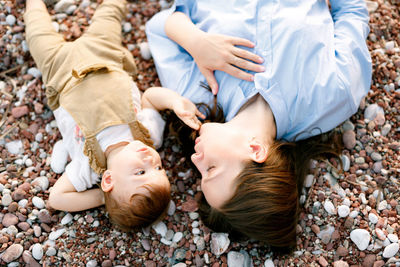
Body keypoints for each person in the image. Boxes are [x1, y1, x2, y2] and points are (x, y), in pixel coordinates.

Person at [146, 0, 372, 252]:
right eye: (210, 168)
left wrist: (195, 41)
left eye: (200, 174)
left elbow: (157, 27)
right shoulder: (334, 96)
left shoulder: (195, 99)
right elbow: (351, 11)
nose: (196, 160)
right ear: (256, 150)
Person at [24, 0, 204, 231]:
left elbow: (56, 199)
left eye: (141, 172)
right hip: (103, 54)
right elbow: (149, 98)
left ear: (109, 180)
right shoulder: (149, 136)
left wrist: (103, 198)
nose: (152, 161)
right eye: (160, 170)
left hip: (59, 70)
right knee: (110, 14)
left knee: (37, 32)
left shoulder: (88, 167)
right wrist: (175, 101)